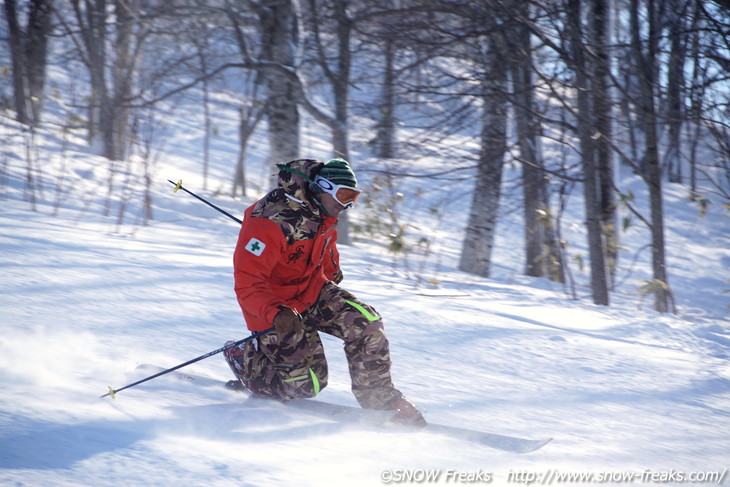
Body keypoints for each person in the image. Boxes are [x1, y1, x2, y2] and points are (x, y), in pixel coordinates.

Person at [223, 157, 425, 426]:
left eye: (353, 196)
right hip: (276, 308)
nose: (348, 203)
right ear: (322, 187)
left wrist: (332, 272)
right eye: (344, 194)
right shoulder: (270, 219)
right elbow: (247, 281)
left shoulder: (325, 211)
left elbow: (326, 245)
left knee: (367, 323)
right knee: (305, 386)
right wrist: (275, 313)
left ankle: (381, 402)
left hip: (312, 290)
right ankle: (248, 361)